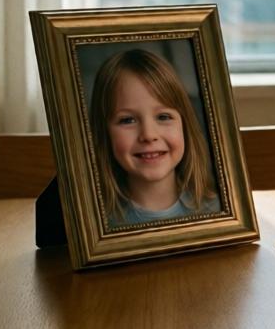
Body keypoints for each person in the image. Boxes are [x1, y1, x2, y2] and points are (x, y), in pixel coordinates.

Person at [89, 48, 222, 227]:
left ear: (185, 125)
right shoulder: (93, 224)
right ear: (103, 134)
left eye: (163, 117)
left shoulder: (220, 211)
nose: (149, 135)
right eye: (127, 120)